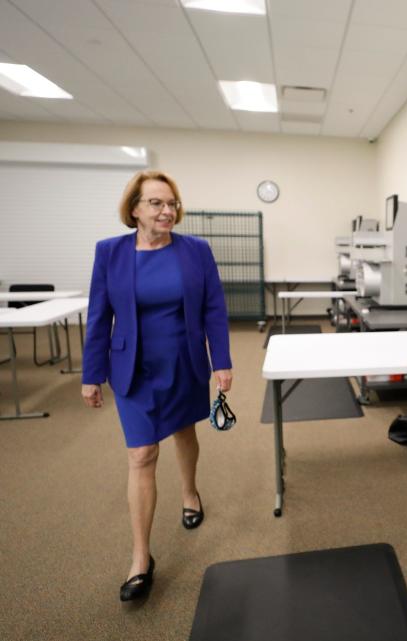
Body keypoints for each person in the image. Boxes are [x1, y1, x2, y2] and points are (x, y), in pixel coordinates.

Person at [81, 170, 233, 602]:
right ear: (134, 209)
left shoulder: (195, 252)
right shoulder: (109, 253)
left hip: (183, 363)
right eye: (156, 203)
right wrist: (91, 374)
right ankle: (141, 558)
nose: (167, 211)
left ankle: (189, 493)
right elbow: (99, 317)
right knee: (141, 453)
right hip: (133, 369)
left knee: (185, 430)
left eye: (172, 204)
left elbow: (213, 309)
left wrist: (221, 360)